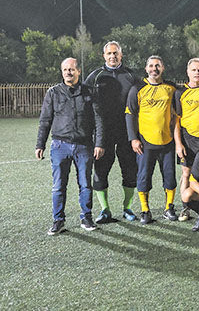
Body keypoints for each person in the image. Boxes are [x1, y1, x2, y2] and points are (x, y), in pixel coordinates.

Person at [36, 58, 105, 235]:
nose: (68, 72)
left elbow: (99, 119)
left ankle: (86, 217)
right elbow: (45, 120)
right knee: (59, 186)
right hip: (60, 146)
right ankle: (58, 220)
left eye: (72, 69)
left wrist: (99, 143)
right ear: (62, 72)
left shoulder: (90, 92)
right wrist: (40, 144)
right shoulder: (53, 93)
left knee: (85, 184)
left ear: (78, 71)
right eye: (65, 69)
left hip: (84, 146)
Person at [84, 41, 139, 222]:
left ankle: (127, 208)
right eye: (109, 53)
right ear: (104, 56)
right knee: (100, 171)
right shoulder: (95, 76)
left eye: (115, 53)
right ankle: (105, 210)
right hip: (103, 134)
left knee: (129, 171)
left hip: (127, 132)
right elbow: (84, 102)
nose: (112, 56)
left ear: (121, 55)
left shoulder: (131, 75)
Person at [125, 55, 178, 224]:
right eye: (151, 66)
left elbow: (188, 91)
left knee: (170, 177)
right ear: (146, 68)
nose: (154, 69)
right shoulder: (137, 88)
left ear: (163, 68)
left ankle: (169, 207)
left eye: (158, 66)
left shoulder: (171, 88)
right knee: (143, 177)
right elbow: (130, 114)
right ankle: (145, 210)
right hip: (145, 142)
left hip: (167, 141)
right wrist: (133, 138)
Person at [173, 58, 199, 222]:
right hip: (187, 138)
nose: (197, 73)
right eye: (194, 70)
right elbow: (176, 121)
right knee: (186, 173)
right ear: (187, 72)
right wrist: (178, 144)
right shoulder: (180, 93)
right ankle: (185, 207)